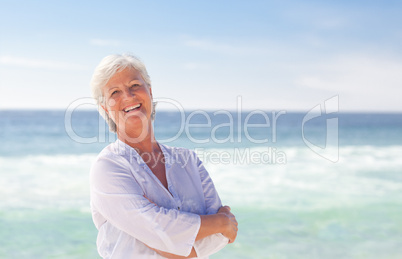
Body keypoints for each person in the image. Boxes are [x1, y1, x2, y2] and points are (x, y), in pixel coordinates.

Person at [89, 53, 238, 258]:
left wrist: (169, 238)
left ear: (149, 92)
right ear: (105, 108)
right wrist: (219, 222)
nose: (128, 96)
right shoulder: (108, 167)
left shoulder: (189, 161)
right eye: (115, 92)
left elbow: (220, 237)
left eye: (135, 85)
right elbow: (158, 231)